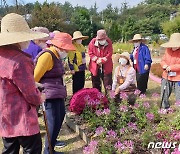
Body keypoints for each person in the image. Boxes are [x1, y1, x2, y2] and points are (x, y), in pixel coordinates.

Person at [0, 13, 48, 154]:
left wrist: (32, 83)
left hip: (5, 113)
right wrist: (40, 97)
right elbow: (30, 94)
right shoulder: (21, 60)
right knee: (32, 149)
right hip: (22, 117)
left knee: (10, 149)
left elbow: (9, 82)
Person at [34, 32, 75, 154]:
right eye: (66, 49)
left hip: (57, 93)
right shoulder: (47, 56)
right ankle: (48, 151)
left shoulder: (56, 55)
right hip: (49, 95)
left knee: (59, 119)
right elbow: (35, 77)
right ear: (59, 46)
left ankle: (51, 148)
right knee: (52, 123)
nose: (66, 52)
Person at [88, 29, 113, 94]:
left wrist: (102, 60)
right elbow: (90, 53)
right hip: (95, 66)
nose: (102, 41)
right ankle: (96, 98)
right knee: (96, 83)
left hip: (107, 66)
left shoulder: (109, 42)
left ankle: (109, 99)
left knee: (108, 83)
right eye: (100, 40)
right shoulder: (92, 42)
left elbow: (109, 53)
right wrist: (97, 60)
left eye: (103, 39)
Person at [160, 33, 180, 109]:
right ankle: (165, 107)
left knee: (179, 95)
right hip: (166, 75)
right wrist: (164, 65)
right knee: (164, 93)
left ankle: (179, 110)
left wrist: (171, 67)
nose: (173, 46)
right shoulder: (167, 50)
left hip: (178, 78)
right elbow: (163, 60)